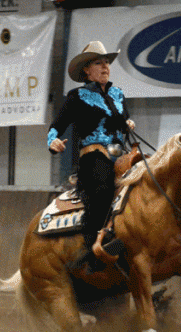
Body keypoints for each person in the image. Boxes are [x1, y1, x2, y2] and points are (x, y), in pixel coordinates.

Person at [47, 41, 135, 263]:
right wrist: (53, 141)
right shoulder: (77, 96)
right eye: (99, 62)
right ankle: (91, 249)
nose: (105, 67)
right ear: (86, 69)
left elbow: (124, 119)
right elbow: (57, 126)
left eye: (107, 62)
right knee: (103, 186)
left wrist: (128, 122)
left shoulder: (117, 94)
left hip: (120, 155)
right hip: (93, 156)